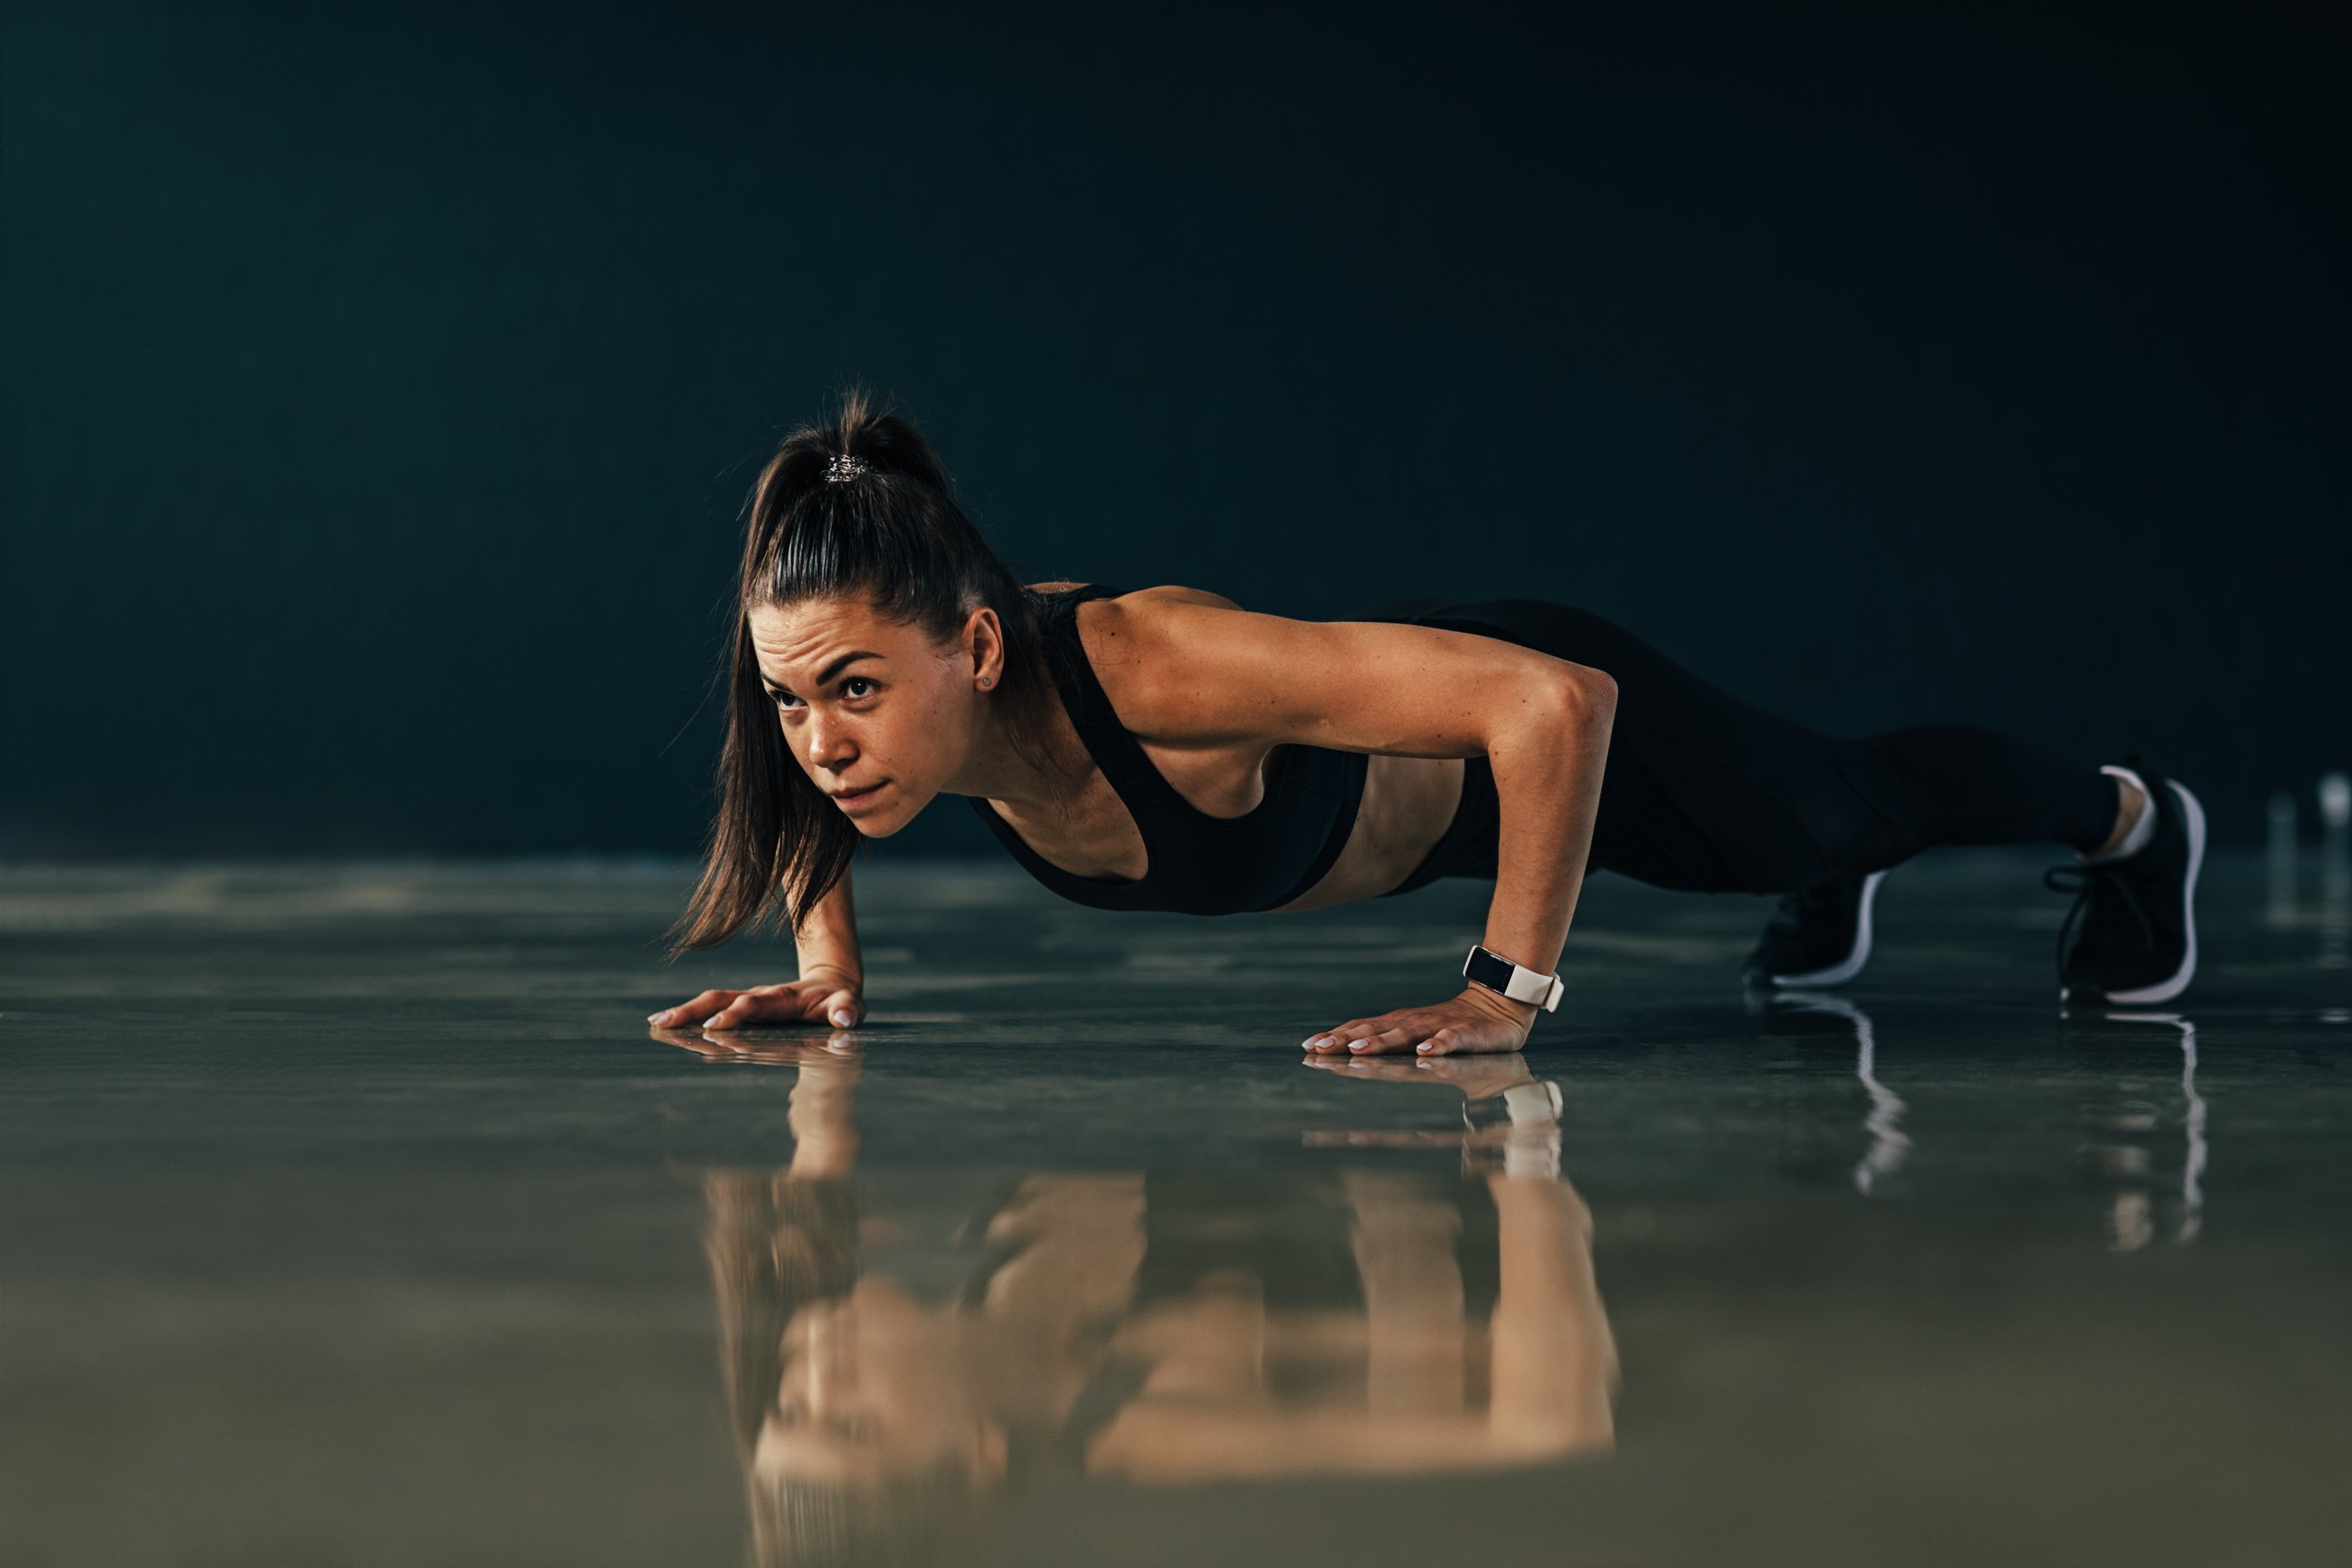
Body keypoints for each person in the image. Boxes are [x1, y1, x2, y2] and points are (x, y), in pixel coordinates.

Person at [649, 393, 2204, 1053]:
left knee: (1842, 808)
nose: (822, 741)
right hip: (1470, 769)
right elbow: (807, 785)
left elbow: (1552, 705)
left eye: (854, 690)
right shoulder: (881, 713)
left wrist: (1501, 997)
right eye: (792, 699)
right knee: (1801, 835)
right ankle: (1829, 873)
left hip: (1544, 718)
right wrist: (825, 965)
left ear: (977, 646)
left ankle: (2135, 818)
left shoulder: (1151, 669)